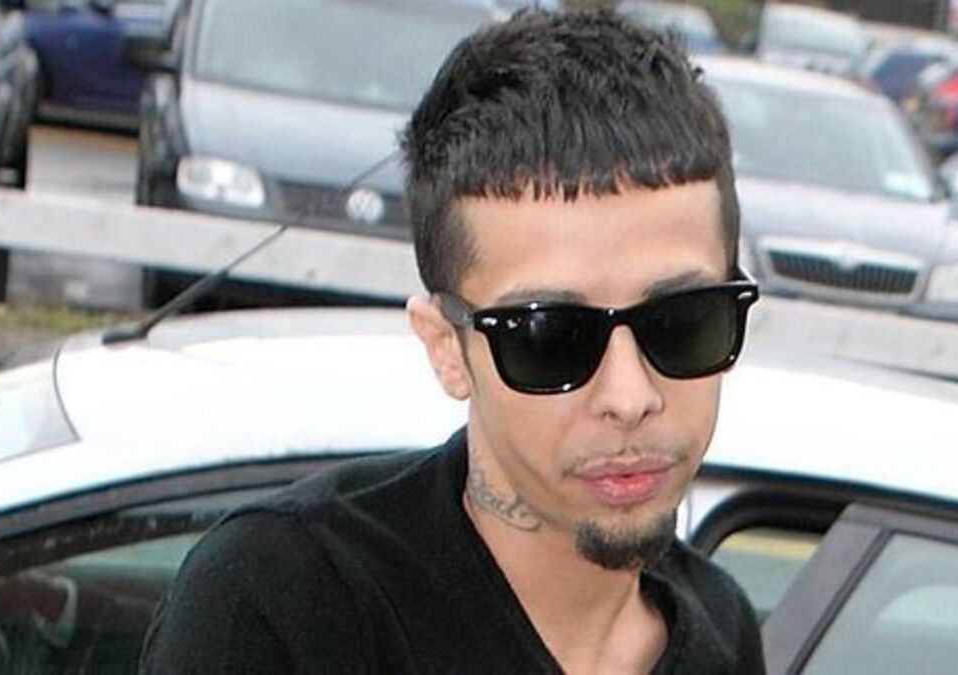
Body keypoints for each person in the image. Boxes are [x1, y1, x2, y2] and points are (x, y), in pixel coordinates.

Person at [140, 9, 764, 674]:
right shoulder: (286, 599)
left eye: (682, 322)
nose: (629, 396)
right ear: (445, 347)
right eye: (549, 338)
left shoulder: (722, 630)